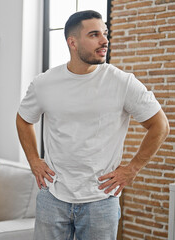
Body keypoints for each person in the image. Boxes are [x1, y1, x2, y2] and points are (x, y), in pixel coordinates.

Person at [16, 10, 169, 240]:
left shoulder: (122, 82)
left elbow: (160, 125)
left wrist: (132, 169)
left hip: (101, 199)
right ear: (73, 42)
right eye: (95, 34)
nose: (104, 40)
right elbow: (23, 119)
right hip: (53, 196)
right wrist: (34, 160)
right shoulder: (44, 83)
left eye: (105, 33)